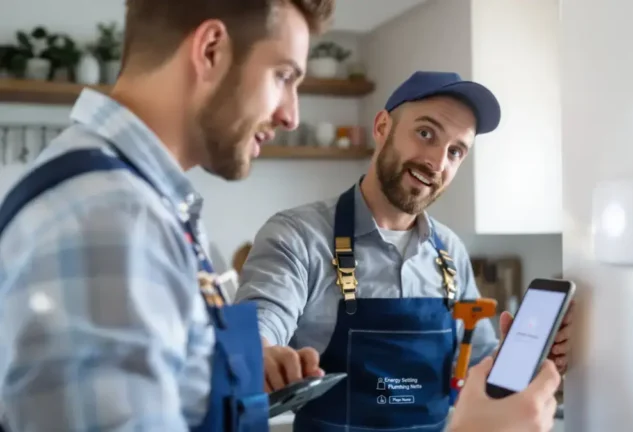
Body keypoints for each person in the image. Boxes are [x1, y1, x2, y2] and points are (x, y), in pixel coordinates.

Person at [0, 0, 333, 430]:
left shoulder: (138, 204)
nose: (291, 115)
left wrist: (217, 371)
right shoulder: (111, 220)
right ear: (211, 49)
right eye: (283, 76)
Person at [236, 70, 573, 431]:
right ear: (382, 127)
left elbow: (479, 367)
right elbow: (259, 324)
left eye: (455, 151)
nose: (436, 162)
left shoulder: (450, 253)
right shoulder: (298, 236)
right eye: (426, 133)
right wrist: (260, 353)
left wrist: (528, 361)